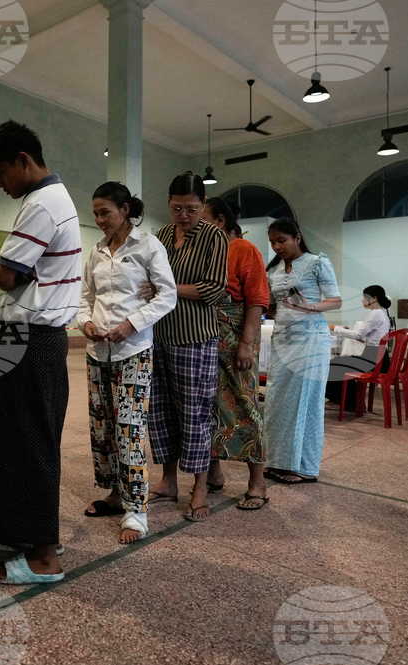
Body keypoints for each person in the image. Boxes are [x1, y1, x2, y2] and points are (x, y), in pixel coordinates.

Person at [0, 120, 81, 584]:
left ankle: (43, 557)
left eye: (2, 173)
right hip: (27, 334)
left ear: (24, 160)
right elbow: (11, 273)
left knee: (31, 443)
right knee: (16, 440)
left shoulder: (42, 203)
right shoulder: (47, 201)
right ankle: (32, 533)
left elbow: (5, 275)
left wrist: (4, 271)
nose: (1, 184)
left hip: (31, 337)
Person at [77, 182, 176, 544]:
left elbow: (167, 297)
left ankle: (136, 509)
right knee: (102, 428)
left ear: (124, 210)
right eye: (96, 214)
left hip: (133, 350)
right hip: (96, 351)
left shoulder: (148, 245)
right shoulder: (97, 250)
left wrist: (130, 325)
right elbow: (86, 295)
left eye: (106, 213)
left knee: (128, 428)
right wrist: (85, 321)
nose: (100, 220)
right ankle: (115, 494)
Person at [141, 172, 228, 523]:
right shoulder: (159, 236)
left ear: (203, 205)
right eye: (177, 208)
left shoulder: (214, 237)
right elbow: (146, 280)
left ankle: (201, 487)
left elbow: (213, 289)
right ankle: (168, 481)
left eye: (191, 208)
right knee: (160, 413)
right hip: (158, 336)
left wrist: (168, 289)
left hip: (195, 339)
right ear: (168, 204)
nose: (184, 215)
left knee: (195, 416)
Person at [201, 198, 270, 511]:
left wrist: (245, 344)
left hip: (234, 335)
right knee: (208, 407)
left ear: (218, 221)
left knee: (244, 404)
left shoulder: (243, 248)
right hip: (202, 337)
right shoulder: (203, 252)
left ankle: (257, 483)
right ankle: (214, 474)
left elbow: (256, 300)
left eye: (199, 218)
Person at [263, 218, 342, 485]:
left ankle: (306, 467)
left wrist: (310, 307)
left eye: (281, 240)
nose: (276, 246)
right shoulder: (272, 271)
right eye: (272, 242)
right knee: (276, 401)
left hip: (311, 338)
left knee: (305, 401)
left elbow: (335, 300)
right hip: (283, 338)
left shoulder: (316, 262)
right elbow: (273, 307)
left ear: (297, 237)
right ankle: (277, 461)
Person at [326, 285, 392, 404]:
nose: (362, 300)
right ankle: (349, 401)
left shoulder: (375, 314)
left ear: (374, 298)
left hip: (373, 360)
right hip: (380, 358)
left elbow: (357, 335)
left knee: (334, 364)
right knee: (338, 363)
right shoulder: (382, 313)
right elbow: (368, 339)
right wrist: (344, 331)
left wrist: (334, 327)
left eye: (365, 298)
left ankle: (348, 401)